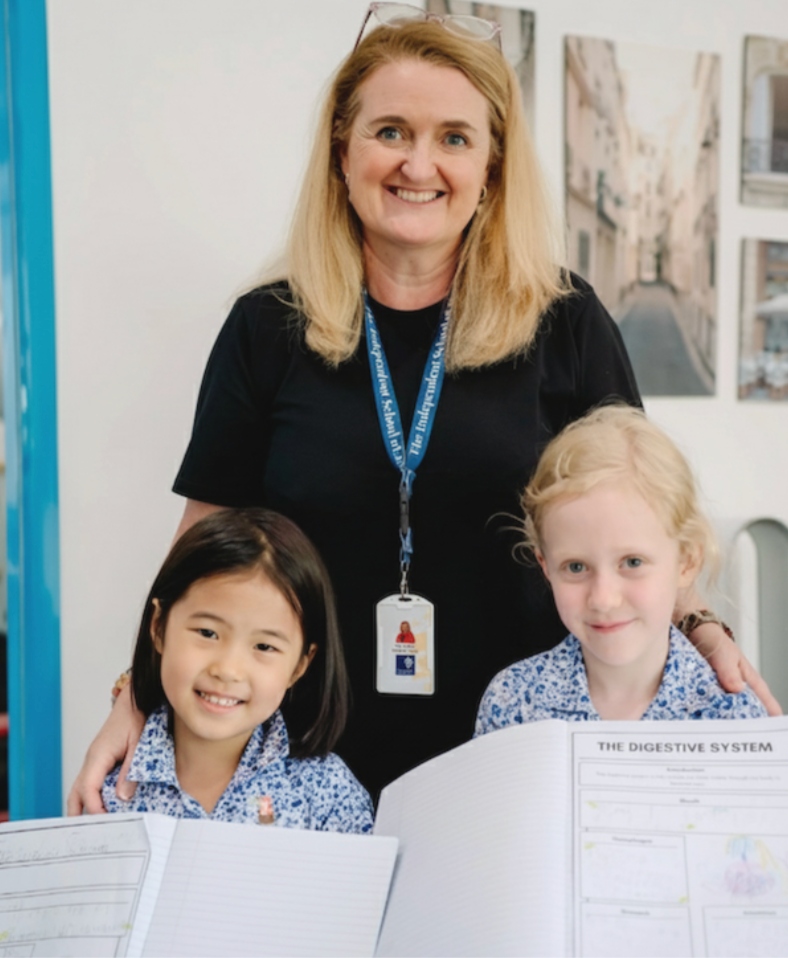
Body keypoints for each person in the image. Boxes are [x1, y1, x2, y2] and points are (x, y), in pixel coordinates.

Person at [69, 5, 777, 810]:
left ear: (491, 168)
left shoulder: (567, 323)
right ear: (343, 152)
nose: (420, 163)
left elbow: (641, 519)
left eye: (454, 137)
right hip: (300, 763)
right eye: (391, 131)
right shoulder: (266, 329)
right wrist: (136, 698)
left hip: (519, 757)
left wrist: (702, 631)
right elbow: (205, 545)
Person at [475, 406, 767, 732]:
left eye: (632, 562)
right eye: (575, 567)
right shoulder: (513, 702)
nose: (603, 599)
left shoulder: (733, 716)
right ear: (545, 567)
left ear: (686, 561)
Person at [102, 507, 373, 832]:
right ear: (158, 627)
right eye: (207, 633)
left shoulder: (329, 796)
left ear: (300, 664)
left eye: (264, 647)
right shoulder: (109, 790)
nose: (228, 669)